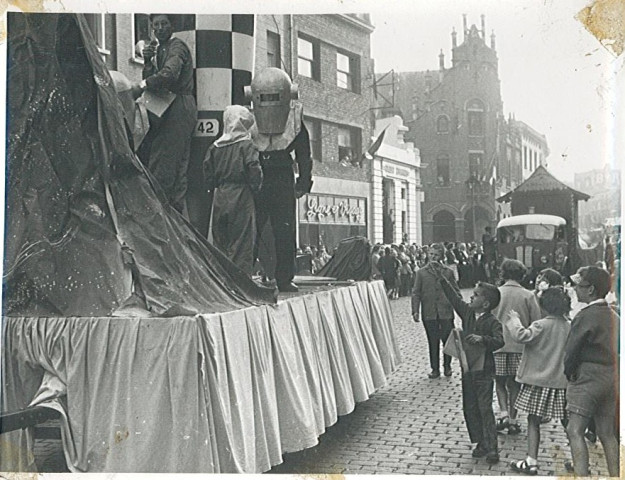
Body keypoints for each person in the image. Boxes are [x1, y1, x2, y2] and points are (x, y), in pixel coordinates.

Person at [246, 68, 313, 292]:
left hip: (266, 175)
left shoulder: (292, 118)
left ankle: (277, 277)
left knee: (271, 229)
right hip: (275, 175)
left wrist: (304, 181)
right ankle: (279, 277)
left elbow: (304, 153)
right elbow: (304, 153)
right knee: (268, 229)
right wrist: (303, 181)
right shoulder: (293, 119)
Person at [502, 287, 571, 475]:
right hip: (561, 383)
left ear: (544, 307)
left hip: (539, 382)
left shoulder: (541, 325)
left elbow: (520, 335)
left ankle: (531, 461)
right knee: (569, 423)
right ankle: (578, 459)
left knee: (533, 421)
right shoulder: (569, 326)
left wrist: (514, 320)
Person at [132, 14, 197, 214]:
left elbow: (169, 74)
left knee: (165, 166)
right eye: (156, 25)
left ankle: (163, 217)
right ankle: (172, 216)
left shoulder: (176, 47)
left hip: (177, 105)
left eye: (164, 24)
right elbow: (157, 78)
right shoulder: (162, 48)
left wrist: (142, 85)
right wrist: (148, 62)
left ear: (172, 26)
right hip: (169, 106)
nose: (159, 28)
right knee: (170, 166)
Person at [436, 273, 504, 464]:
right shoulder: (467, 313)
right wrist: (442, 280)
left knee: (485, 408)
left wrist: (483, 339)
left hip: (484, 371)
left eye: (476, 294)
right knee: (469, 407)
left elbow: (500, 341)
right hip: (468, 369)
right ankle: (479, 442)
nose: (471, 297)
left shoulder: (492, 321)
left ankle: (492, 448)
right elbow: (454, 298)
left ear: (486, 303)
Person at [564, 266, 619, 477]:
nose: (575, 288)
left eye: (579, 285)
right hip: (610, 376)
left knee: (574, 430)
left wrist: (569, 373)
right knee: (607, 433)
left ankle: (582, 474)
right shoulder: (614, 315)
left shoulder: (584, 316)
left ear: (590, 290)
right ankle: (615, 475)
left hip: (587, 377)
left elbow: (571, 351)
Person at [203, 105, 262, 274]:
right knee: (242, 242)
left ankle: (222, 280)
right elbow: (254, 169)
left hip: (220, 195)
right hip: (241, 194)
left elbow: (207, 172)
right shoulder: (246, 145)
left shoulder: (215, 146)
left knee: (220, 240)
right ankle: (241, 283)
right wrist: (255, 188)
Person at [492, 259, 542, 435]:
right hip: (520, 347)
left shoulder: (495, 292)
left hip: (497, 346)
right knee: (514, 384)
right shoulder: (528, 295)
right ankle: (513, 419)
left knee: (499, 382)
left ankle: (503, 414)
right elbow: (536, 321)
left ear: (503, 274)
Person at [411, 243, 460, 379]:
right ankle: (435, 369)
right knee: (432, 341)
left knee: (447, 340)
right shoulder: (421, 273)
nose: (433, 257)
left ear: (442, 256)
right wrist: (415, 310)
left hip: (445, 312)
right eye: (431, 254)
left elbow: (455, 291)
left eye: (436, 255)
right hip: (429, 312)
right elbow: (416, 292)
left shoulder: (448, 272)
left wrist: (459, 307)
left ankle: (447, 366)